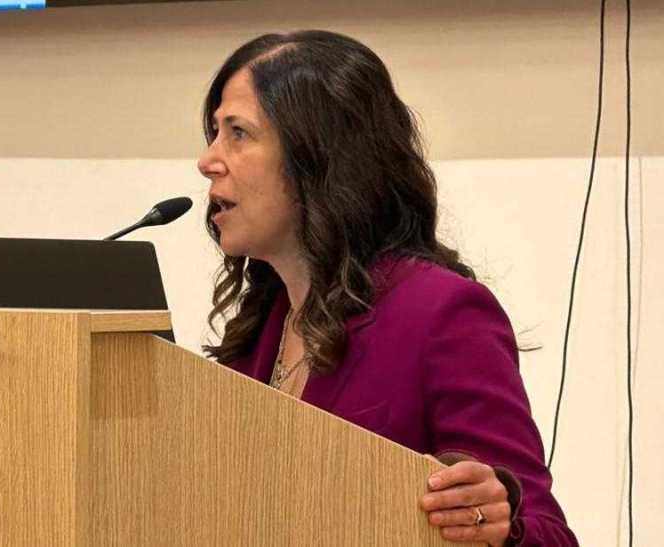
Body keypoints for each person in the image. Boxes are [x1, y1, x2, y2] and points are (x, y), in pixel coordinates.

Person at [197, 30, 577, 546]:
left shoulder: (443, 314)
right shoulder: (263, 322)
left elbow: (551, 535)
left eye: (238, 133)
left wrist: (495, 526)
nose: (208, 161)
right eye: (214, 132)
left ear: (319, 153)